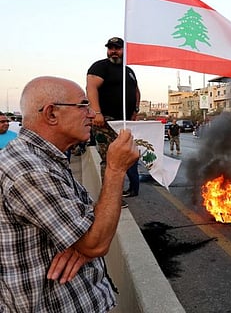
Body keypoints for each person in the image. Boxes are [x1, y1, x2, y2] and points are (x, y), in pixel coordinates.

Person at [0, 76, 139, 312]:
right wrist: (115, 170)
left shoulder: (44, 158)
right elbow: (94, 243)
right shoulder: (29, 170)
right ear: (52, 114)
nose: (92, 113)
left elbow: (86, 233)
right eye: (83, 105)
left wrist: (81, 246)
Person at [87, 37, 141, 203]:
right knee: (110, 160)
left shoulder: (129, 71)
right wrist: (96, 112)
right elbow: (91, 87)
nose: (114, 51)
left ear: (124, 50)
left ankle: (120, 191)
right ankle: (110, 199)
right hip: (106, 122)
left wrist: (135, 110)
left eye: (117, 48)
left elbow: (136, 91)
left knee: (125, 158)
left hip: (124, 122)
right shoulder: (100, 67)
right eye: (111, 48)